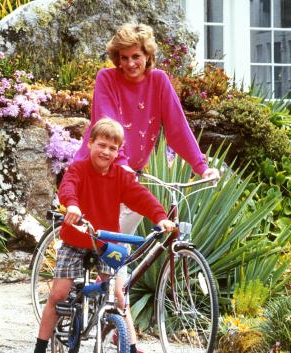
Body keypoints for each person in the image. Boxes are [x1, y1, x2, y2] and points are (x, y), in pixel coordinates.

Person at [72, 23, 220, 351]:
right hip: (101, 172)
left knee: (118, 258)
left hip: (129, 176)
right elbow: (106, 122)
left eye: (135, 56)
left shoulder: (159, 82)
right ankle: (128, 339)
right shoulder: (106, 79)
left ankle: (113, 320)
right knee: (113, 256)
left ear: (147, 55)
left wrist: (202, 167)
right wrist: (120, 161)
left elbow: (178, 128)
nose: (129, 63)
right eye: (122, 57)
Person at [33, 118, 176, 353]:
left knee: (118, 295)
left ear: (118, 152)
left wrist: (160, 217)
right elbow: (68, 186)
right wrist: (72, 206)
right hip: (76, 241)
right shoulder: (78, 169)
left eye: (112, 148)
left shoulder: (121, 176)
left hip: (105, 243)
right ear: (89, 144)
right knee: (58, 294)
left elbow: (141, 196)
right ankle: (39, 347)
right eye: (101, 145)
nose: (106, 151)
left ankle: (127, 344)